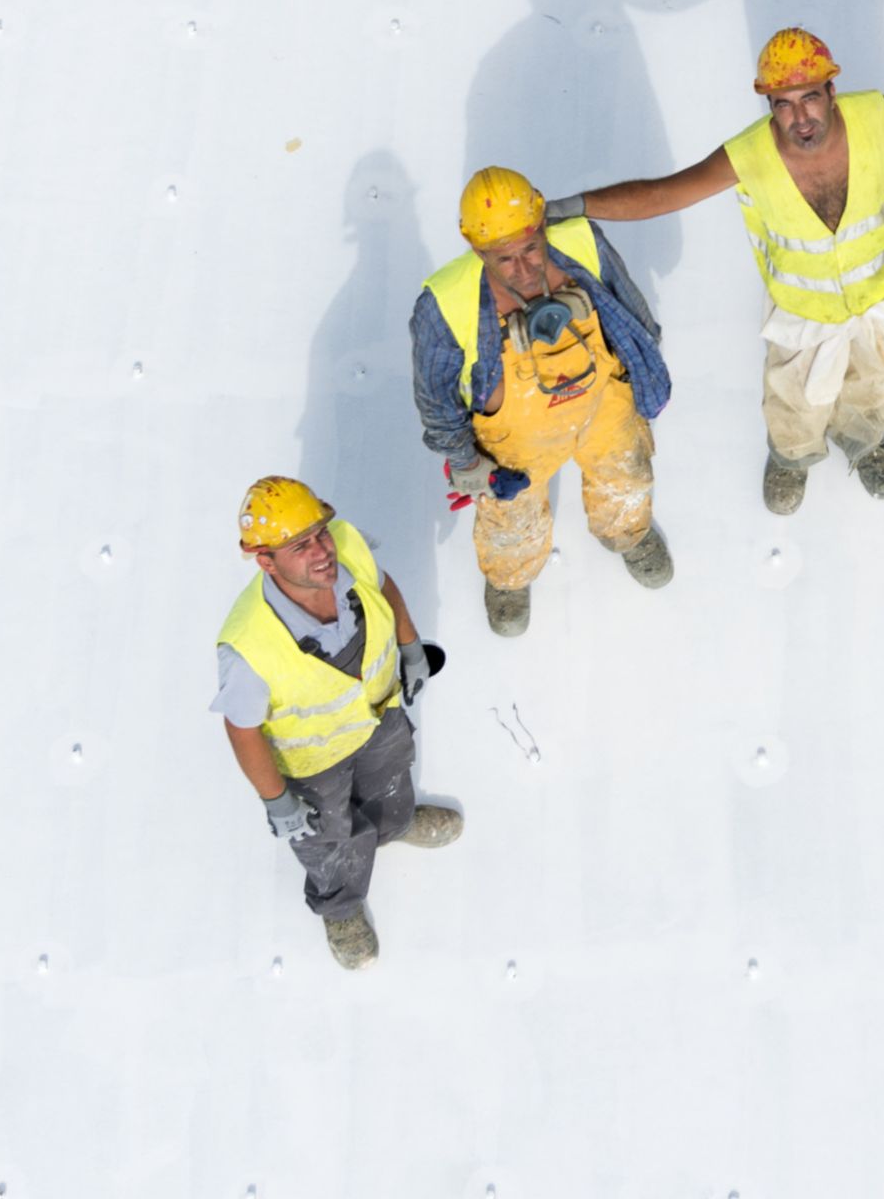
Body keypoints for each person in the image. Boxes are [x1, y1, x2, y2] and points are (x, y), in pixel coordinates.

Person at [572, 29, 884, 512]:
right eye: (783, 104)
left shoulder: (871, 115)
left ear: (832, 92)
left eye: (810, 98)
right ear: (769, 105)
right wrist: (581, 205)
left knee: (878, 378)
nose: (800, 118)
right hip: (805, 312)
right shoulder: (748, 156)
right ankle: (792, 456)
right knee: (795, 400)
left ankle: (861, 435)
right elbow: (663, 194)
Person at [409, 167, 675, 637]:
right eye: (504, 259)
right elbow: (436, 399)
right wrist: (468, 463)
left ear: (540, 224)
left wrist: (645, 370)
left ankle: (626, 533)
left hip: (602, 405)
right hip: (515, 440)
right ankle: (511, 577)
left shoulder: (580, 241)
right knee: (511, 518)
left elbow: (631, 306)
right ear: (476, 248)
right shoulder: (444, 302)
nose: (525, 267)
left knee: (626, 474)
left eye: (531, 247)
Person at [214, 475, 463, 968]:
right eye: (299, 546)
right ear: (266, 560)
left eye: (320, 534)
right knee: (326, 835)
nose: (322, 551)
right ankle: (341, 907)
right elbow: (241, 729)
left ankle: (394, 824)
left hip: (378, 717)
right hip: (313, 762)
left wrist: (409, 646)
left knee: (392, 782)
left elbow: (381, 581)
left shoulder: (346, 548)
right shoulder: (249, 645)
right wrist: (277, 801)